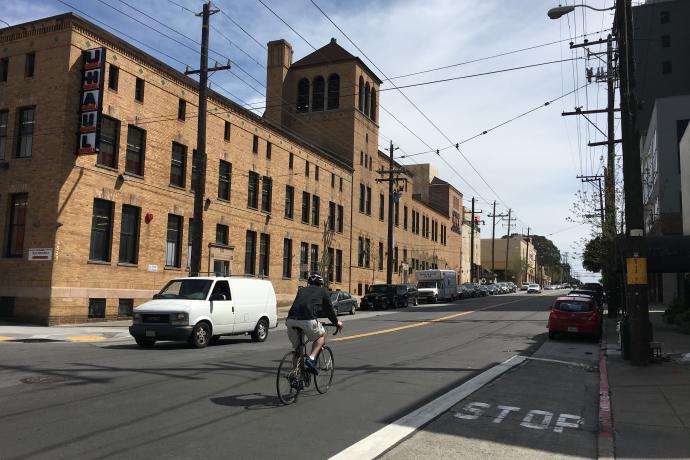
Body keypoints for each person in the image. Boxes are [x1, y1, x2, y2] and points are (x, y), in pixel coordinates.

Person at [286, 273, 343, 375]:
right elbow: (329, 310)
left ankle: (295, 374)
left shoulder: (301, 290)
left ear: (309, 283)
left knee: (298, 350)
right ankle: (311, 359)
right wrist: (336, 322)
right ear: (321, 284)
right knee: (322, 335)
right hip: (308, 320)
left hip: (290, 321)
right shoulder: (323, 291)